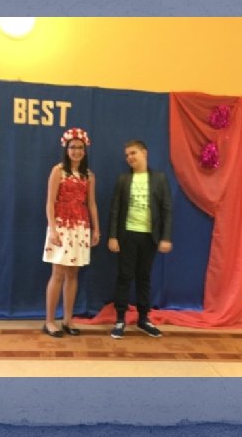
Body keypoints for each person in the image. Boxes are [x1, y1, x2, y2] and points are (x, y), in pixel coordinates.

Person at [108, 139, 173, 339]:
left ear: (144, 153)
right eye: (127, 155)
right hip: (127, 235)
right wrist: (113, 236)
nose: (129, 157)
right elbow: (115, 209)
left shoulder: (160, 179)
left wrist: (165, 237)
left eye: (133, 153)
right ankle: (120, 319)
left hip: (149, 237)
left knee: (144, 277)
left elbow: (167, 210)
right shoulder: (123, 179)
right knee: (124, 276)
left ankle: (143, 318)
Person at [42, 127, 100, 338]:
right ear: (66, 149)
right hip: (61, 225)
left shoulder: (88, 175)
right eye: (72, 147)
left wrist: (96, 229)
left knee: (73, 274)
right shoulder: (58, 171)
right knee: (58, 274)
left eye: (80, 147)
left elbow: (91, 204)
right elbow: (50, 202)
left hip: (80, 227)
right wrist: (53, 229)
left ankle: (68, 319)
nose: (76, 151)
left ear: (85, 150)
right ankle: (49, 321)